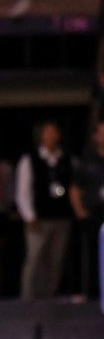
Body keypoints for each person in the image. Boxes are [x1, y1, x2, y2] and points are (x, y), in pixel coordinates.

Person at [16, 120, 74, 299]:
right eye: (47, 132)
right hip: (39, 219)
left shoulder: (66, 159)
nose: (50, 136)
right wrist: (29, 216)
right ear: (41, 136)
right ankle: (27, 299)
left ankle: (49, 297)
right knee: (34, 260)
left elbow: (73, 187)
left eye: (53, 132)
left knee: (56, 261)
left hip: (61, 218)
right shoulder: (29, 160)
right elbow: (22, 191)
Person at [71, 119, 104, 298]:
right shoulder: (87, 161)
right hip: (94, 214)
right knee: (92, 255)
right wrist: (80, 213)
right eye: (101, 132)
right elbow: (75, 189)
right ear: (95, 136)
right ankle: (91, 292)